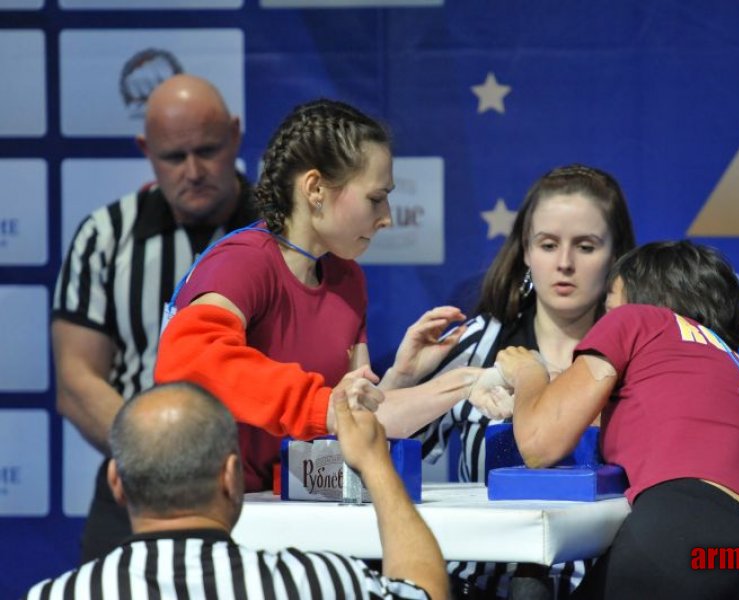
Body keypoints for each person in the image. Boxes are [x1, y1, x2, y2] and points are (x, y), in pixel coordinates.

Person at [154, 98, 491, 494]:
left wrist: (402, 376)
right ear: (315, 188)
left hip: (296, 508)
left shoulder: (347, 278)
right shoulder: (242, 263)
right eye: (375, 198)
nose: (386, 217)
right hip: (214, 509)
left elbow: (355, 424)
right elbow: (188, 362)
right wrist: (323, 407)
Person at [495, 240, 739, 600]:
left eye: (609, 306)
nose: (604, 319)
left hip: (679, 530)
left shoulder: (637, 319)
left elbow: (540, 444)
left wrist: (530, 372)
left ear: (643, 299)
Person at [52, 74, 258, 562]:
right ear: (146, 149)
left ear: (235, 134)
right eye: (173, 157)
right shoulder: (105, 237)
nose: (193, 170)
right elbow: (77, 381)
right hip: (138, 484)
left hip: (257, 480)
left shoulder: (285, 233)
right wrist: (158, 457)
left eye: (208, 150)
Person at [417, 164, 637, 598]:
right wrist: (399, 379)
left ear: (615, 256)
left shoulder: (641, 354)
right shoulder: (477, 343)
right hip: (477, 585)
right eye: (548, 244)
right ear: (525, 251)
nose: (565, 264)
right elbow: (389, 445)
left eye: (586, 246)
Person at [22, 381, 448, 600]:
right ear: (231, 476)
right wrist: (375, 464)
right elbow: (424, 591)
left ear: (116, 482)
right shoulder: (314, 582)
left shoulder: (58, 595)